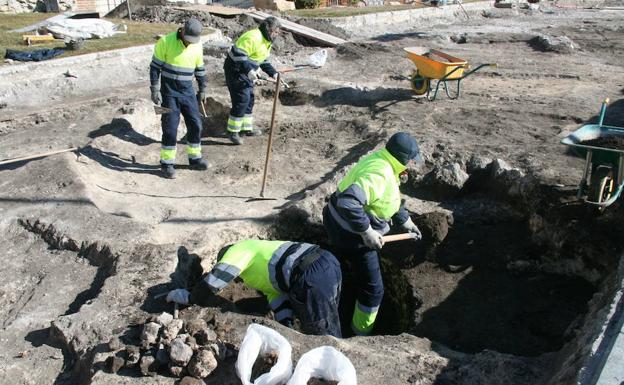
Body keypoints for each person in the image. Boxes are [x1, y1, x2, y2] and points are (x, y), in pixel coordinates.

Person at [322, 132, 423, 336]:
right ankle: (360, 333)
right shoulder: (380, 173)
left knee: (341, 266)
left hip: (337, 221)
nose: (413, 164)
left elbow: (387, 196)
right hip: (350, 234)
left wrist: (405, 219)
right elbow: (349, 202)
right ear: (404, 159)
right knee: (373, 290)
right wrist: (367, 231)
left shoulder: (384, 160)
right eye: (412, 160)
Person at [166, 239, 343, 338]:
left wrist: (189, 297)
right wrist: (286, 328)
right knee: (330, 319)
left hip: (309, 275)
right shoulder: (261, 266)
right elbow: (276, 297)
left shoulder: (238, 250)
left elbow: (216, 279)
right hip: (327, 261)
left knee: (323, 335)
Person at [149, 19, 209, 179]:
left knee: (196, 123)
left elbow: (200, 69)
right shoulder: (165, 41)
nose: (190, 44)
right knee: (170, 128)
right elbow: (155, 67)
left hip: (188, 92)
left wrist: (202, 88)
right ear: (182, 31)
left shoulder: (197, 45)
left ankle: (195, 159)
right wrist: (154, 88)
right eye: (188, 40)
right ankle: (167, 164)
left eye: (192, 41)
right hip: (168, 94)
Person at [223, 17, 281, 145]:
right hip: (235, 70)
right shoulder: (253, 37)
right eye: (274, 31)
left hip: (246, 72)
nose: (276, 34)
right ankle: (232, 132)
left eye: (277, 32)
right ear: (268, 29)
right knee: (241, 99)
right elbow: (239, 55)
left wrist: (273, 73)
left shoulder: (266, 41)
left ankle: (246, 128)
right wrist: (249, 71)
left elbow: (263, 60)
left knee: (249, 99)